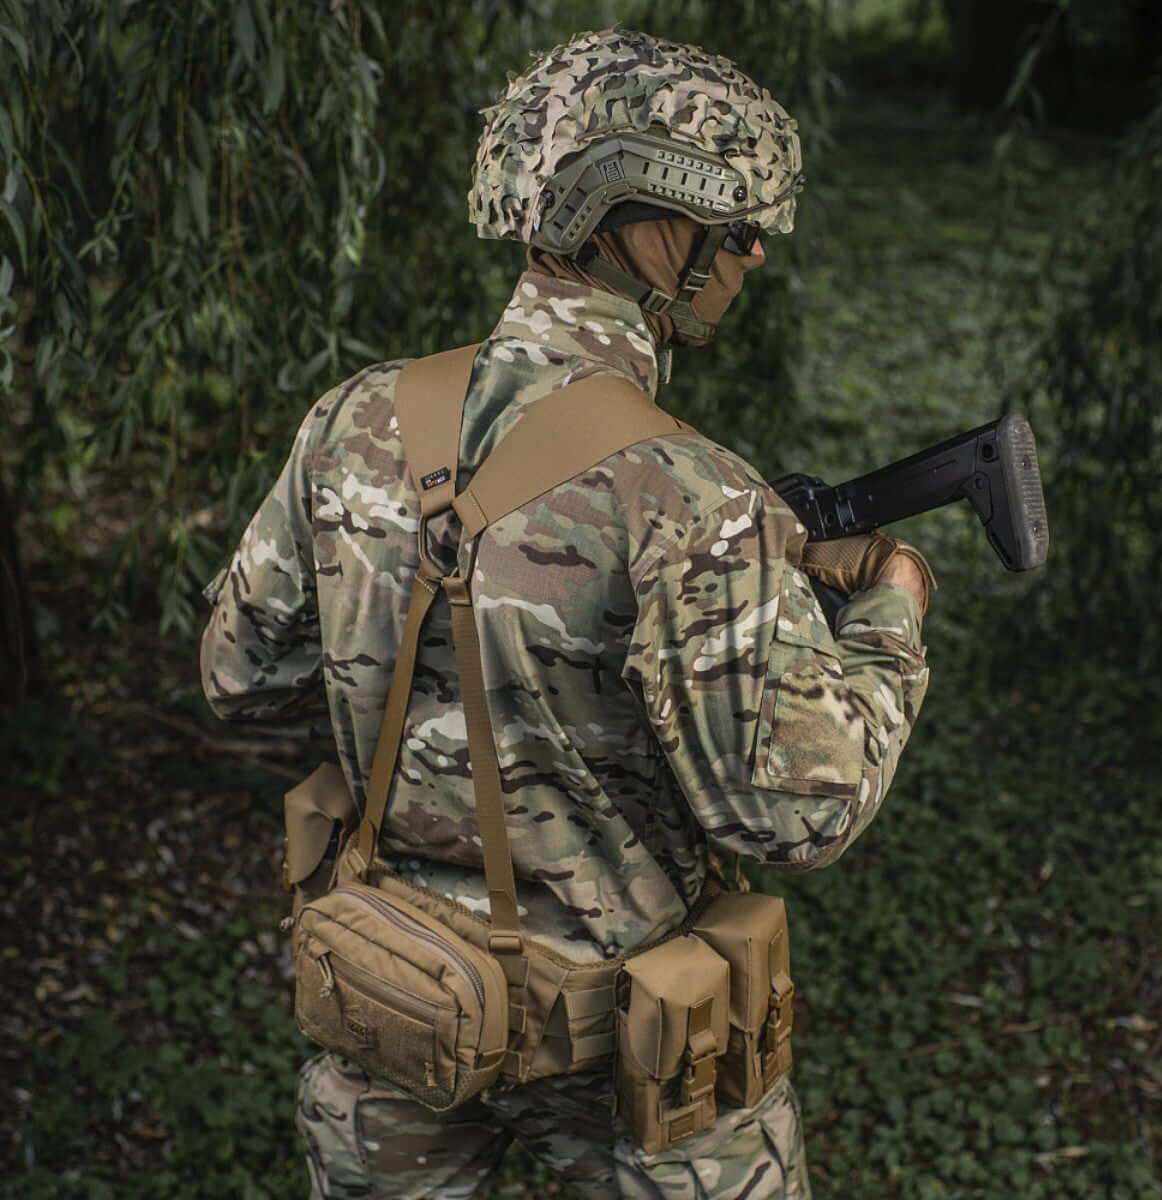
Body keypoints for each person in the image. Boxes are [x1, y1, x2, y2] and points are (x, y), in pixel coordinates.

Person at [200, 27, 932, 1200]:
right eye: (733, 226)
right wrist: (888, 613)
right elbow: (800, 809)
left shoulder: (352, 419)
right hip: (637, 1075)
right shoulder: (692, 495)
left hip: (396, 1010)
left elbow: (241, 669)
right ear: (645, 226)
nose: (752, 253)